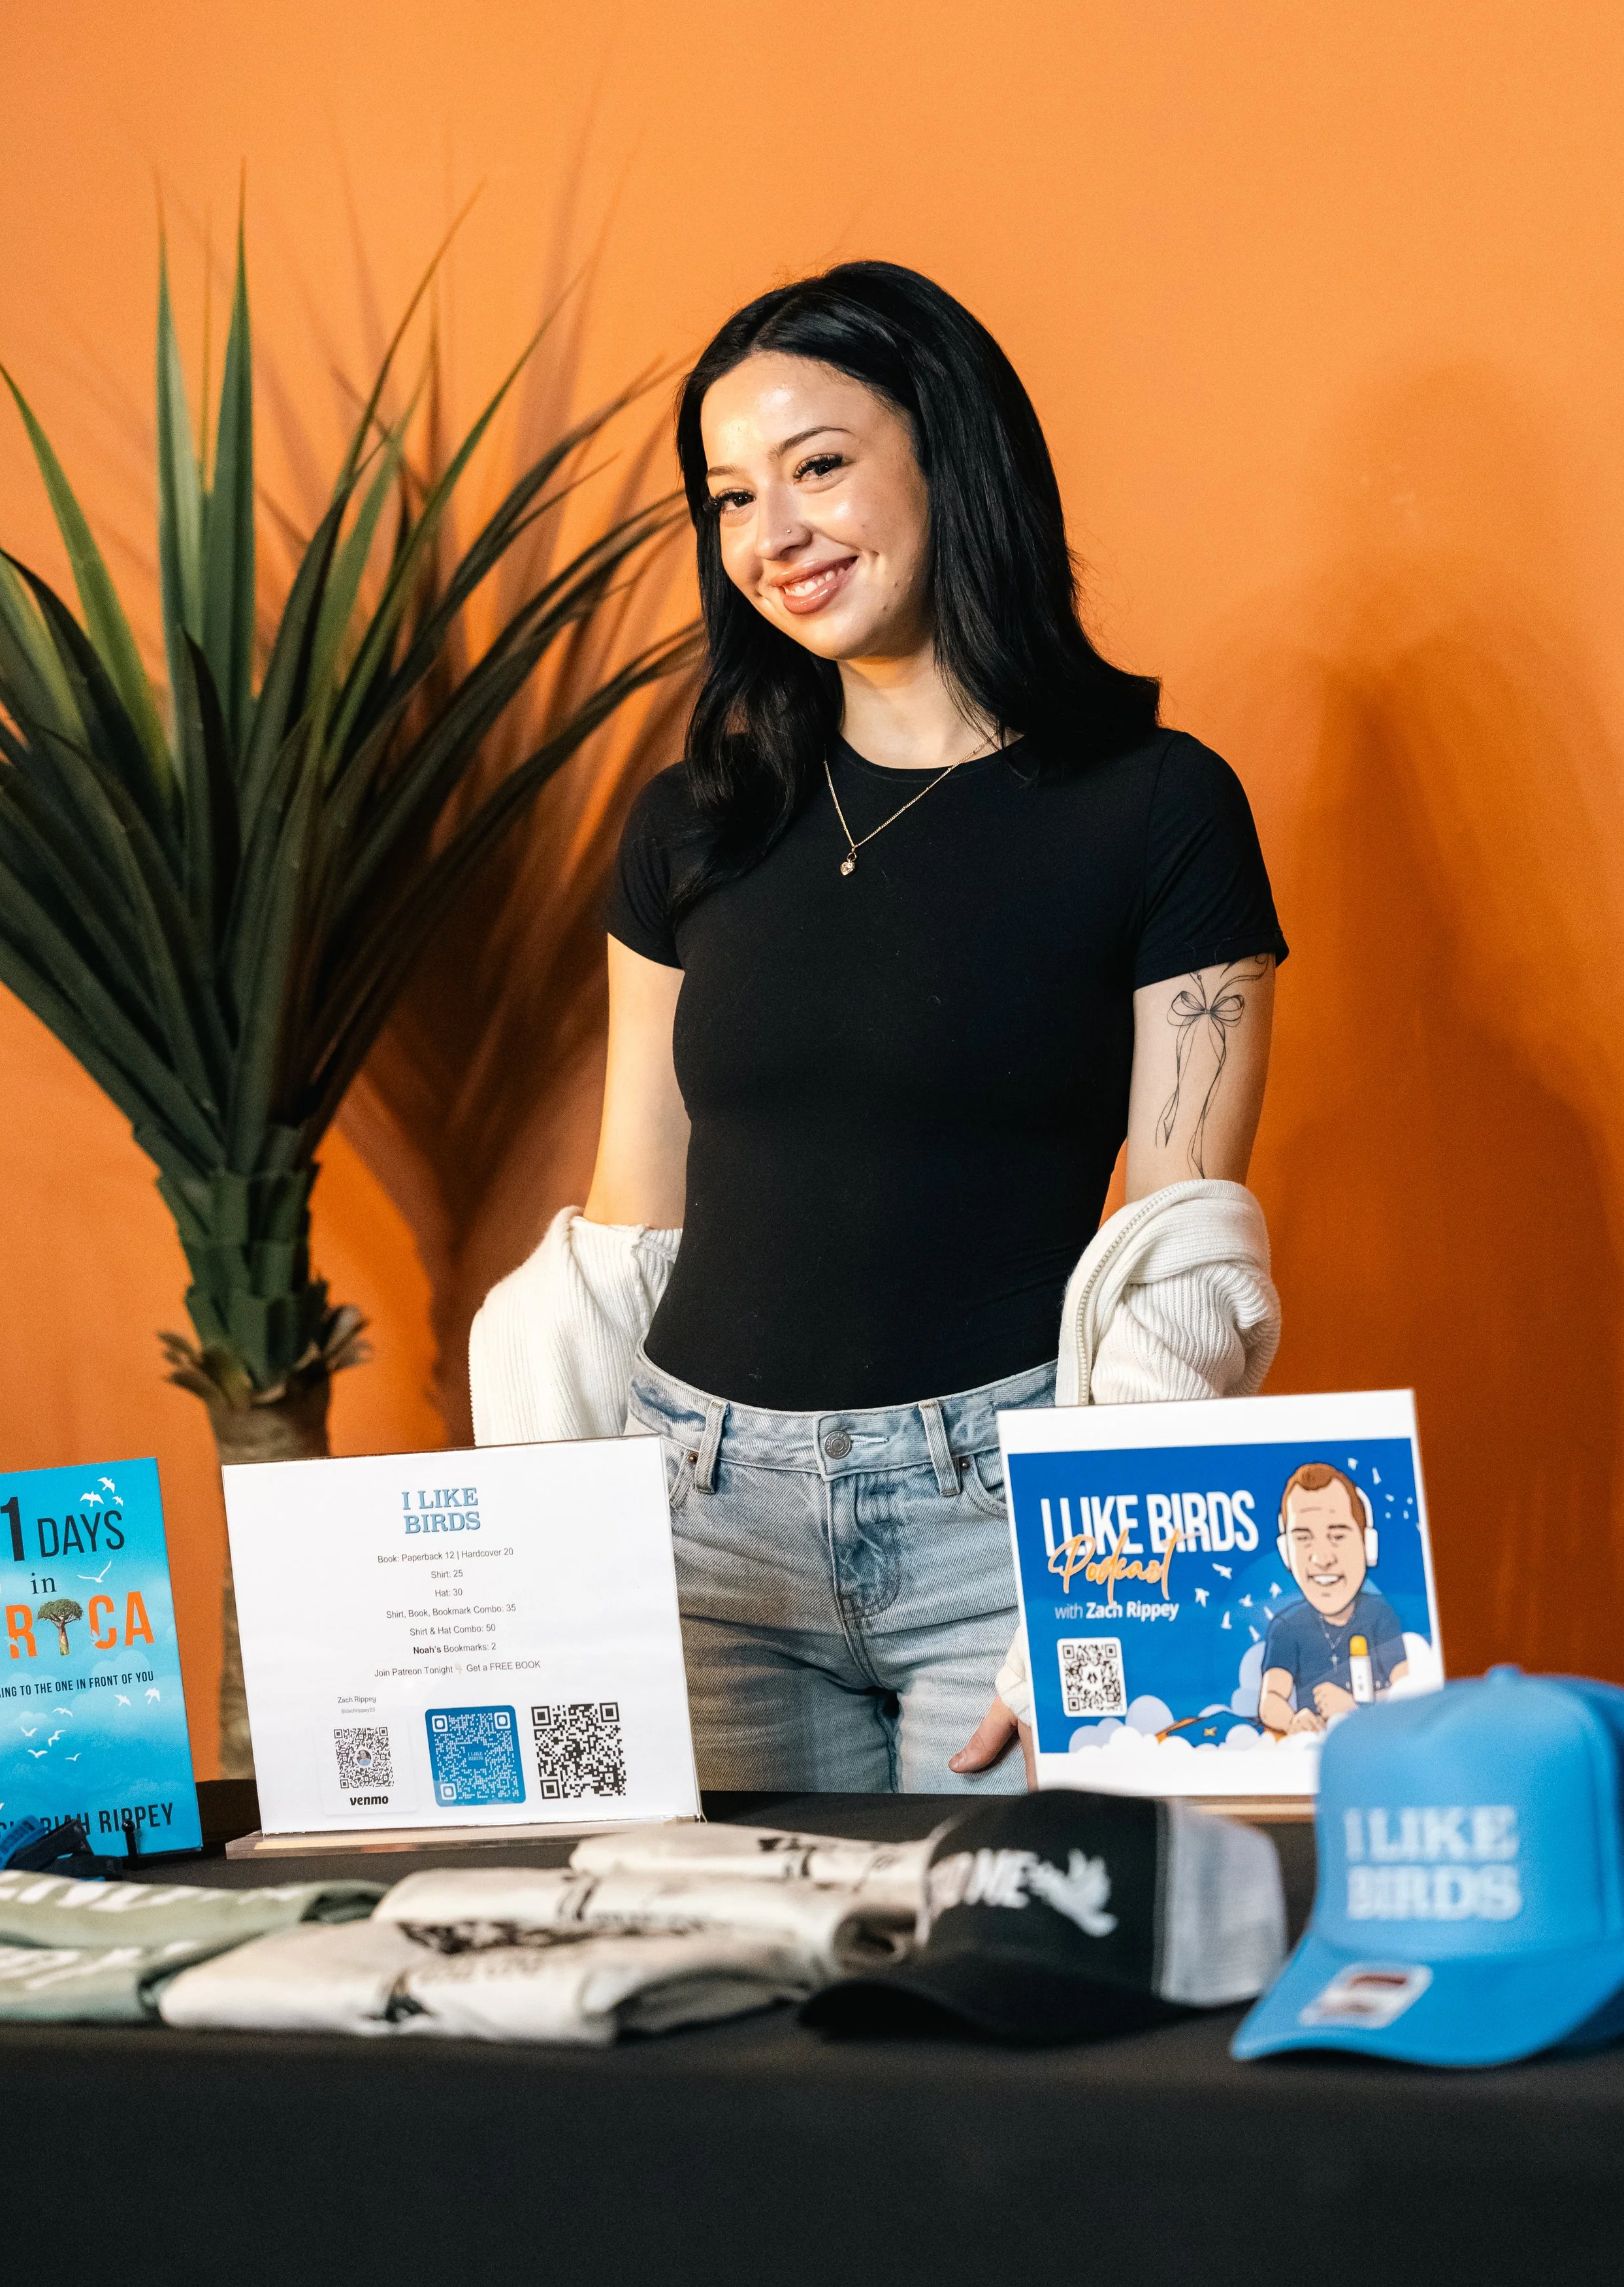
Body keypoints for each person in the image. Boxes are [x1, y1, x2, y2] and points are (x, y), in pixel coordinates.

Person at [574, 261, 1288, 1793]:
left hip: (1008, 1518)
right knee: (726, 2009)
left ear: (950, 452)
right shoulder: (688, 829)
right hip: (693, 1514)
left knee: (988, 1994)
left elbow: (1182, 1234)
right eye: (729, 495)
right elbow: (632, 1205)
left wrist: (1115, 1575)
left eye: (819, 466)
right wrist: (550, 1536)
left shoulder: (1159, 809)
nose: (774, 535)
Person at [1258, 1462, 1409, 1735]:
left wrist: (1358, 1707)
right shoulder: (1287, 1628)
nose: (1322, 1559)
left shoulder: (1380, 1616)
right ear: (1286, 1552)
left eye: (1338, 1535)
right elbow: (1270, 1701)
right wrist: (1293, 1722)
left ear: (1367, 1545)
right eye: (1303, 1538)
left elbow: (1409, 1690)